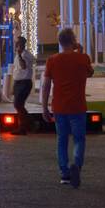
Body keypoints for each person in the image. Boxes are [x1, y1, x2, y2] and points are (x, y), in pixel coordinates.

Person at [41, 27, 94, 187]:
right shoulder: (83, 58)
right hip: (77, 106)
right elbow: (90, 73)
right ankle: (76, 165)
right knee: (79, 139)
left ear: (59, 42)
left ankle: (64, 173)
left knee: (62, 140)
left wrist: (44, 107)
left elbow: (46, 86)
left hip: (59, 106)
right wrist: (82, 52)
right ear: (73, 41)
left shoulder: (52, 60)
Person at [9, 35, 35, 134]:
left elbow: (23, 66)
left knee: (18, 104)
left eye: (18, 43)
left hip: (24, 83)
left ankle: (25, 126)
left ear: (22, 44)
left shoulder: (25, 55)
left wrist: (20, 55)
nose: (16, 44)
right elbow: (17, 70)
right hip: (19, 82)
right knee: (18, 105)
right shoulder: (18, 54)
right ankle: (29, 124)